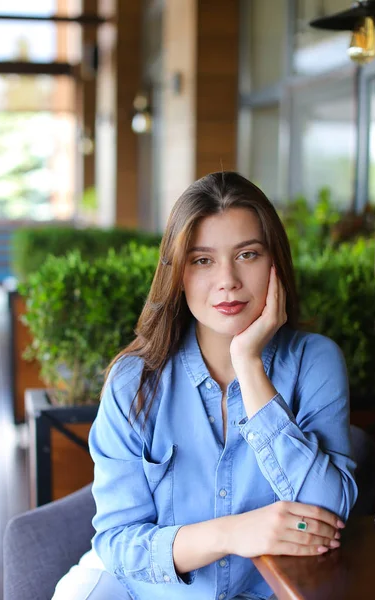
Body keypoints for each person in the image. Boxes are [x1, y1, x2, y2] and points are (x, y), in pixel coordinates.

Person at [52, 171, 358, 600]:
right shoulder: (134, 381)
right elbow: (118, 543)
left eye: (248, 254)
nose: (227, 280)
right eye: (202, 260)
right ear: (178, 273)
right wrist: (232, 533)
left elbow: (328, 513)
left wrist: (249, 364)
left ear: (276, 263)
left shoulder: (314, 361)